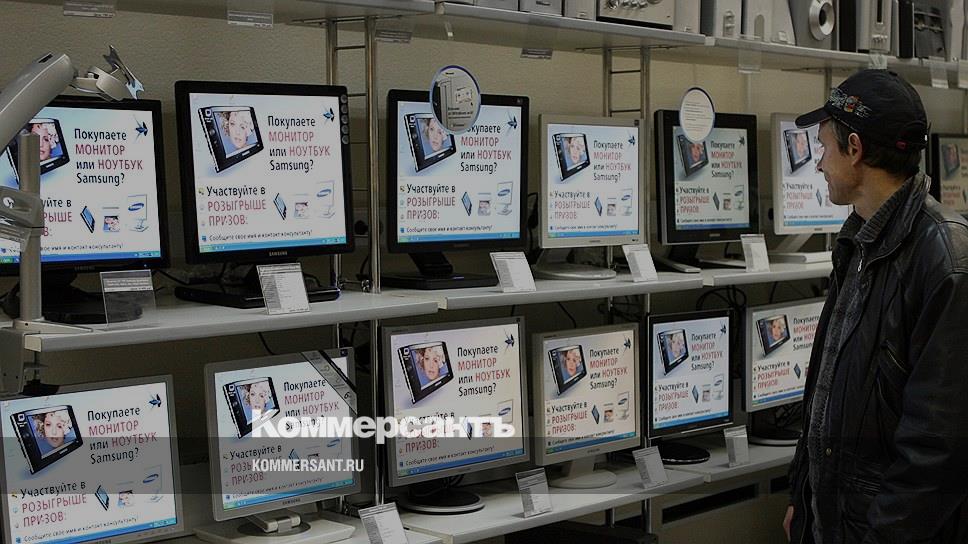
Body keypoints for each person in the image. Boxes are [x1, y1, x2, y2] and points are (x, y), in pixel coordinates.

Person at [784, 70, 968, 543]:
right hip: (836, 520)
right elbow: (828, 387)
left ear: (855, 149)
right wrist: (803, 498)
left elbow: (936, 448)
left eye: (825, 147)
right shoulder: (859, 240)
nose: (819, 164)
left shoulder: (944, 259)